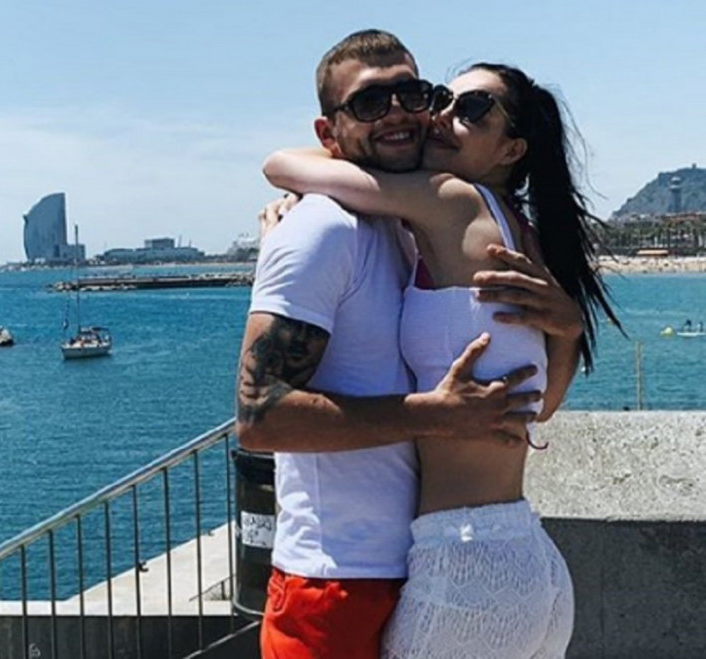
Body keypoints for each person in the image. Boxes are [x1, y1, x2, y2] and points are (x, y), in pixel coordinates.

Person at [237, 30, 584, 659]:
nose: (412, 113)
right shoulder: (377, 226)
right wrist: (568, 331)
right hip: (497, 566)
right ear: (329, 131)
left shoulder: (439, 208)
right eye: (371, 102)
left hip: (458, 568)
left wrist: (443, 413)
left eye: (414, 94)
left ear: (512, 148)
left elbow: (278, 162)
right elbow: (260, 418)